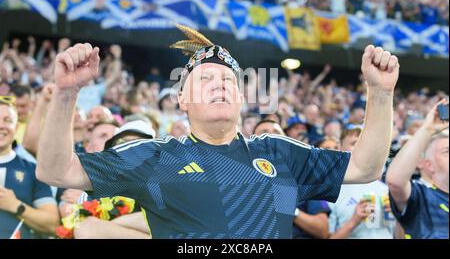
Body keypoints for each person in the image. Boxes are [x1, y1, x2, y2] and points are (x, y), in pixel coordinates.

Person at [37, 24, 400, 239]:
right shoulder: (155, 157)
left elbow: (365, 168)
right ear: (182, 99)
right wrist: (67, 94)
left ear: (241, 96)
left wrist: (381, 94)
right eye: (205, 79)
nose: (219, 84)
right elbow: (56, 171)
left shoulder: (280, 152)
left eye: (228, 79)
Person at [387, 100, 449, 239]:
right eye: (447, 151)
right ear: (429, 165)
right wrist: (428, 129)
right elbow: (395, 181)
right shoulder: (422, 196)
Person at [0, 96, 59, 239]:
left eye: (7, 120)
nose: (1, 125)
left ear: (17, 127)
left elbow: (53, 225)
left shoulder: (34, 170)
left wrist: (15, 206)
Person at [328, 126, 395, 239]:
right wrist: (353, 222)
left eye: (365, 144)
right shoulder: (330, 192)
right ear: (340, 148)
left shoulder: (387, 190)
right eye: (354, 143)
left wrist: (398, 218)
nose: (361, 149)